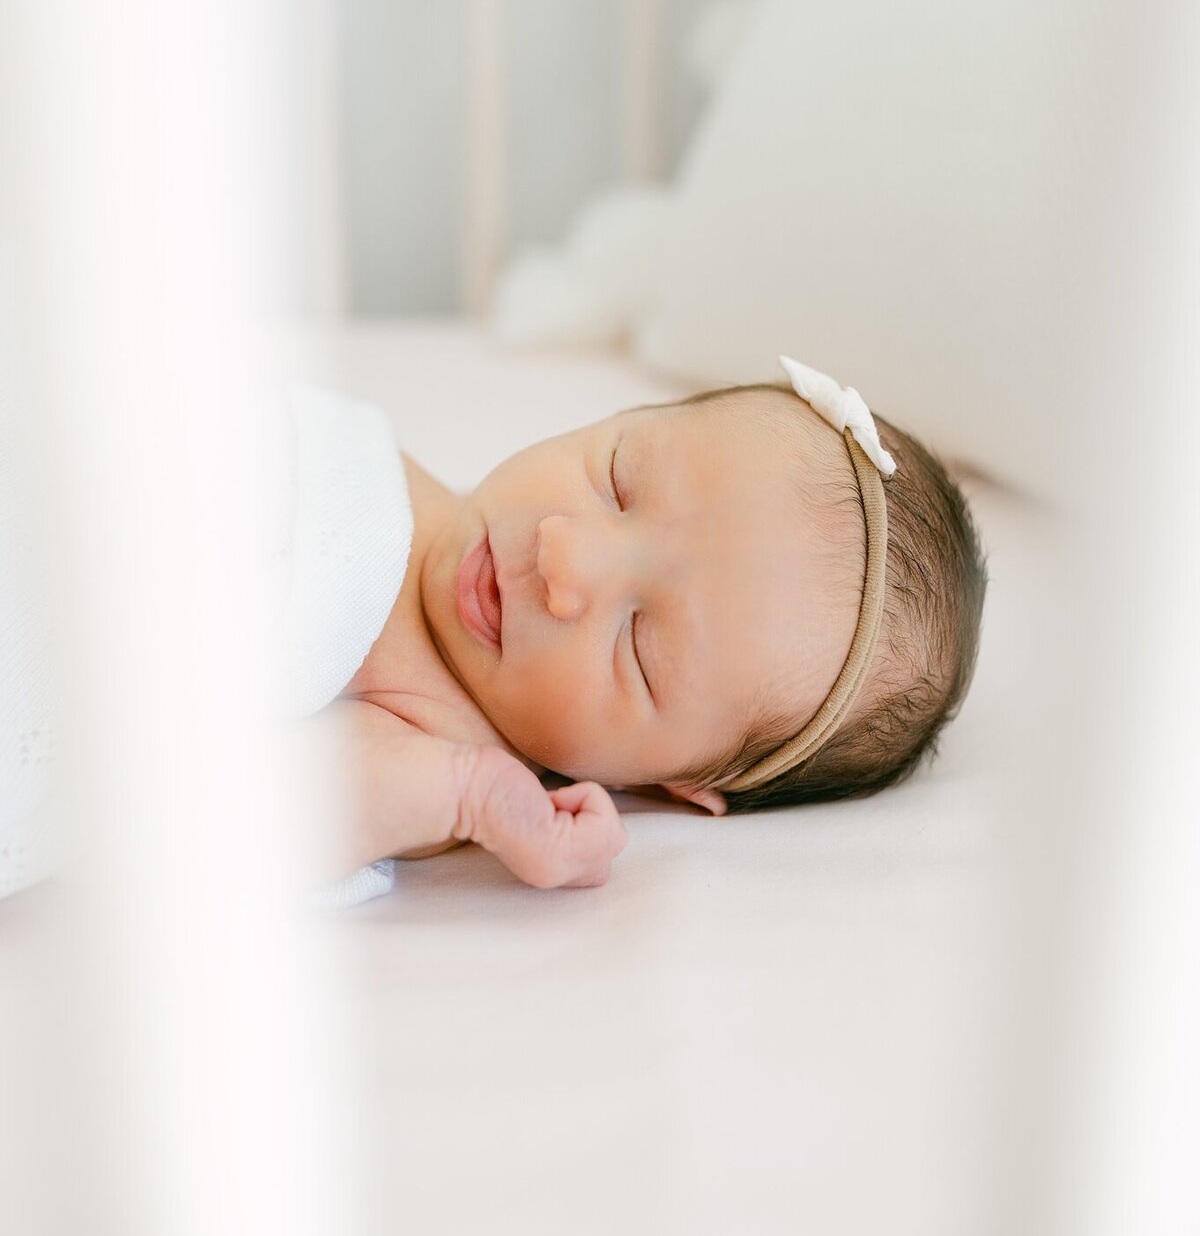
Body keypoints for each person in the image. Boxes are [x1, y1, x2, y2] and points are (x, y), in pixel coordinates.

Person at [287, 358, 987, 904]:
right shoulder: (382, 469)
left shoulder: (432, 744)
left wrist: (470, 797)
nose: (562, 556)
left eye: (637, 645)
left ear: (675, 783)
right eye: (617, 481)